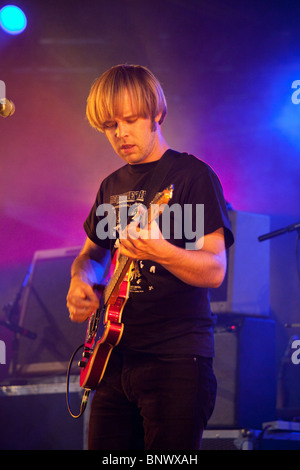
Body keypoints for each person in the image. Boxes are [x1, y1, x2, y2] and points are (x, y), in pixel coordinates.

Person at [66, 64, 234, 450]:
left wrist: (161, 251)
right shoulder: (111, 186)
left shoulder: (192, 176)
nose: (120, 133)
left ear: (156, 113)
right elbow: (91, 254)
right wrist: (81, 281)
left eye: (130, 120)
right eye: (110, 125)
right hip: (110, 358)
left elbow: (214, 270)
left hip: (175, 359)